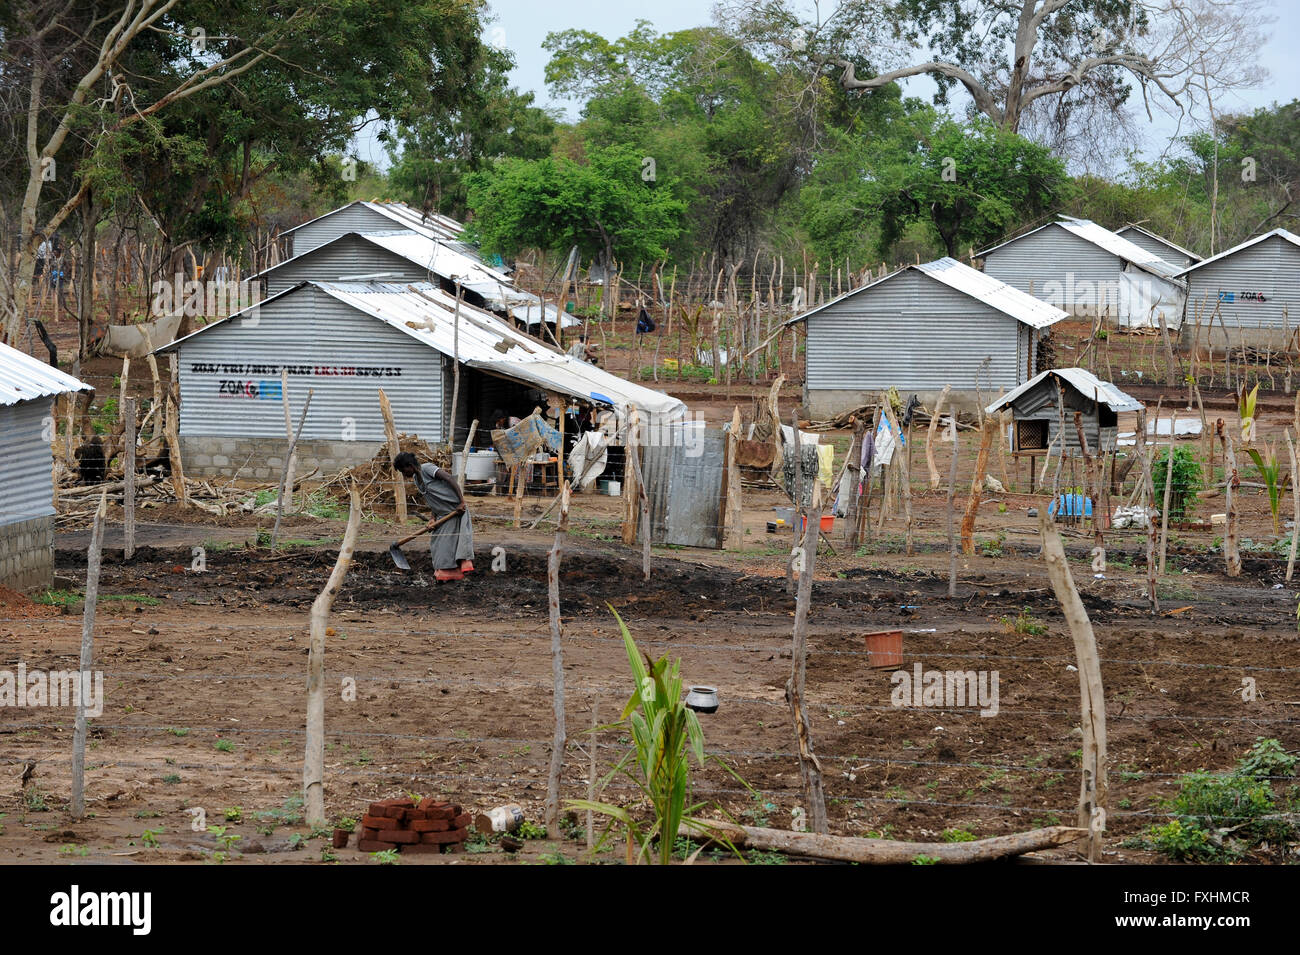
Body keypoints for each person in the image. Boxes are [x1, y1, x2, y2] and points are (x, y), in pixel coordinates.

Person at [393, 452, 475, 582]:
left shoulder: (427, 469)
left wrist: (461, 502)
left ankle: (450, 573)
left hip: (455, 510)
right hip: (443, 514)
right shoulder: (416, 479)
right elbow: (432, 500)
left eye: (404, 471)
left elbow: (449, 478)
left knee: (452, 543)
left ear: (410, 465)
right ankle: (448, 573)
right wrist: (433, 518)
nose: (404, 475)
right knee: (437, 543)